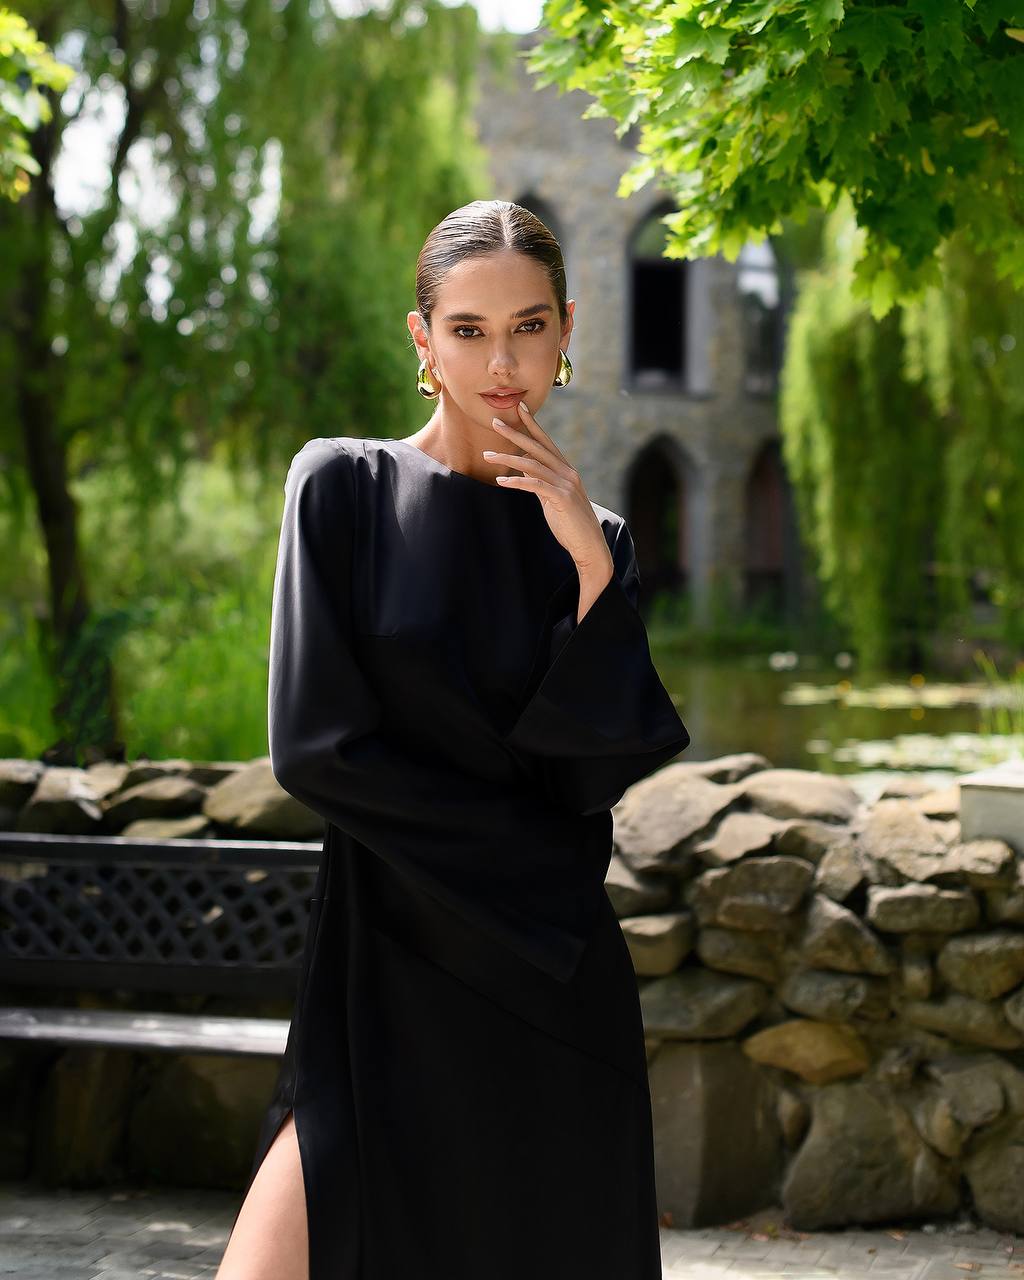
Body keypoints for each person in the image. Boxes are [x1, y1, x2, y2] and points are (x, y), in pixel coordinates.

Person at [216, 199, 691, 1280]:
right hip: (384, 974)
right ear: (420, 339)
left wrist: (589, 566)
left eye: (527, 326)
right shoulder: (342, 485)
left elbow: (582, 781)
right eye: (469, 329)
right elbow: (317, 746)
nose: (501, 361)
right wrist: (539, 878)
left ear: (566, 330)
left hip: (551, 1007)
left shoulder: (598, 539)